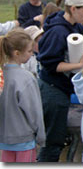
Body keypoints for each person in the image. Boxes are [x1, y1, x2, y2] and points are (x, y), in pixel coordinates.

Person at [36, 0, 83, 162]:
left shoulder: (76, 26)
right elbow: (49, 64)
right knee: (53, 141)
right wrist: (80, 64)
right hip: (52, 91)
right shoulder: (57, 32)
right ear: (73, 9)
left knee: (58, 138)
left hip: (63, 88)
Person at [0, 29, 45, 162]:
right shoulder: (26, 78)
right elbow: (34, 111)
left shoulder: (2, 75)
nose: (32, 55)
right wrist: (41, 136)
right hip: (24, 139)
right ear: (17, 53)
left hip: (5, 138)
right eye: (30, 51)